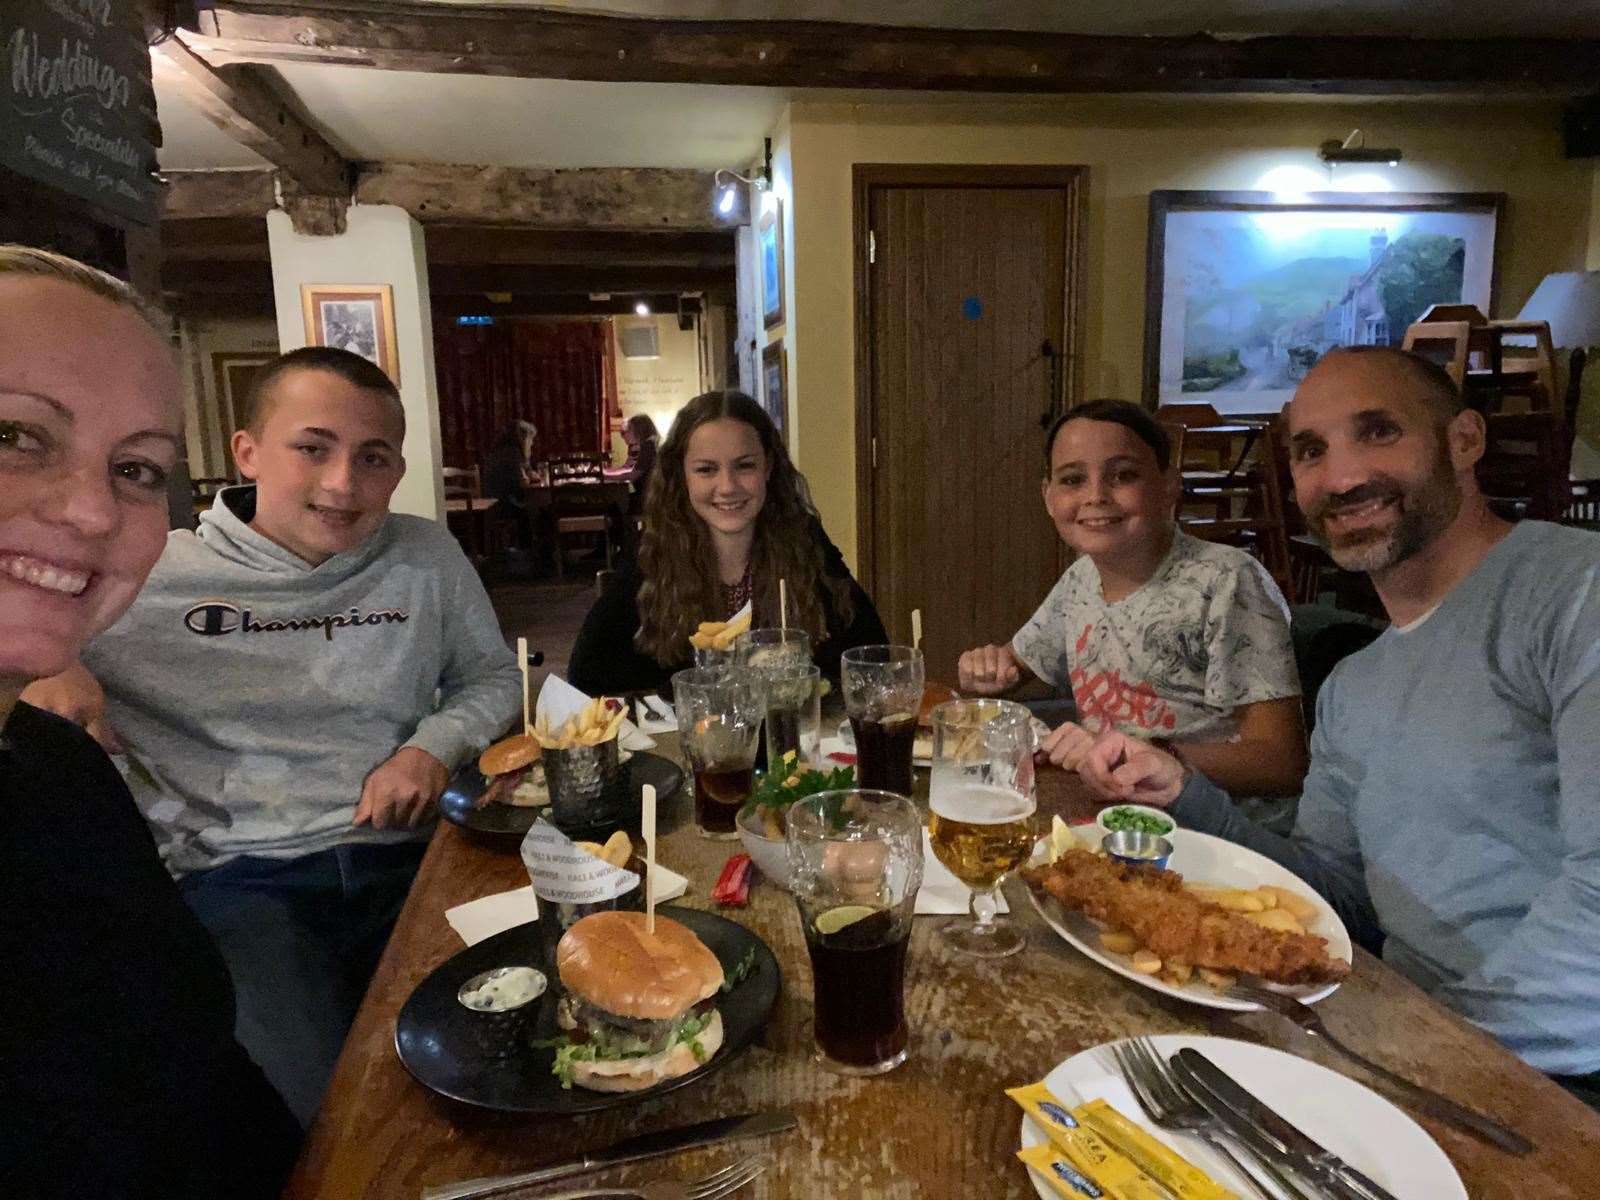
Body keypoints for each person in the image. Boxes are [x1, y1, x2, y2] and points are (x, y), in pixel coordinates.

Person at [1075, 347, 1600, 1098]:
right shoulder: (1354, 687)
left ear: (1464, 440)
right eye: (1311, 451)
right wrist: (1185, 791)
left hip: (1556, 1076)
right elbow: (1336, 897)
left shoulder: (1575, 593)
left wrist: (1414, 1056)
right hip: (1402, 1034)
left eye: (1379, 432)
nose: (1344, 477)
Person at [22, 346, 522, 1126]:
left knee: (507, 1059)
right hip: (238, 879)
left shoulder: (425, 557)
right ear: (247, 452)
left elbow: (493, 677)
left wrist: (429, 747)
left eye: (373, 458)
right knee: (326, 1117)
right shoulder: (147, 570)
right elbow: (24, 623)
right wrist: (43, 667)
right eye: (313, 448)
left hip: (416, 857)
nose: (342, 483)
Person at [0, 245, 299, 1197]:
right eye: (15, 436)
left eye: (136, 468)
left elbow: (199, 1078)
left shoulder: (56, 770)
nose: (91, 509)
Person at [956, 399, 1306, 812]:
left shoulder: (1227, 581)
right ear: (1048, 498)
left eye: (1123, 475)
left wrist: (1147, 755)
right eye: (1072, 480)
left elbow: (1283, 762)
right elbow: (1013, 666)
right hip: (1113, 814)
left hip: (1215, 829)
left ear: (1168, 486)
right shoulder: (1081, 577)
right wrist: (986, 671)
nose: (1096, 496)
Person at [569, 390, 886, 695]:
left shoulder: (804, 539)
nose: (727, 486)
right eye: (706, 470)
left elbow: (872, 655)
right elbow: (587, 677)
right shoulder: (654, 551)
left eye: (745, 465)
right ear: (682, 475)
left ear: (768, 467)